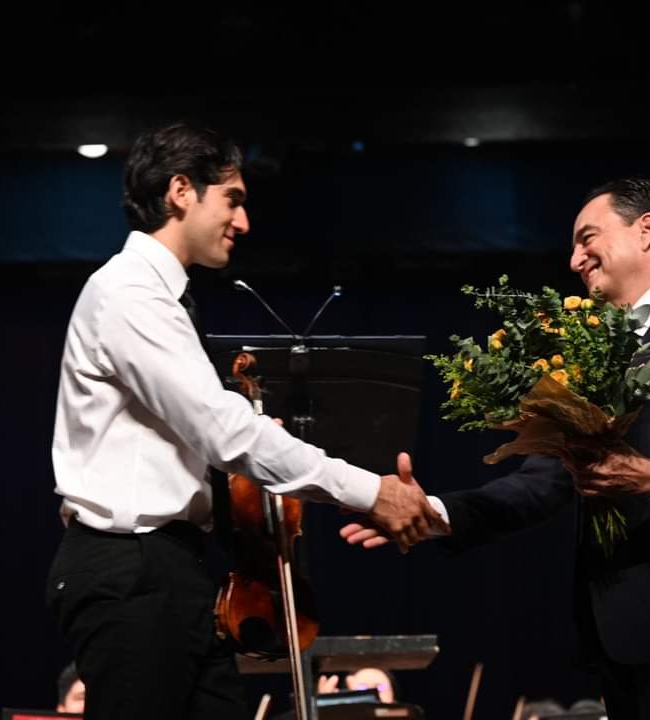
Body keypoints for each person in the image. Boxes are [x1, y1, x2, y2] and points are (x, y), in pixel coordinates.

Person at [343, 178, 650, 719]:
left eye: (587, 238)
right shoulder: (585, 356)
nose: (574, 259)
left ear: (646, 230)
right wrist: (437, 512)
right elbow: (541, 483)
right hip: (616, 637)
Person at [45, 123, 445, 720]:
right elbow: (225, 433)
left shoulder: (158, 297)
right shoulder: (130, 293)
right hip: (132, 572)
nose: (244, 222)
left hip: (168, 571)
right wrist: (370, 491)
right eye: (232, 198)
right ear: (181, 190)